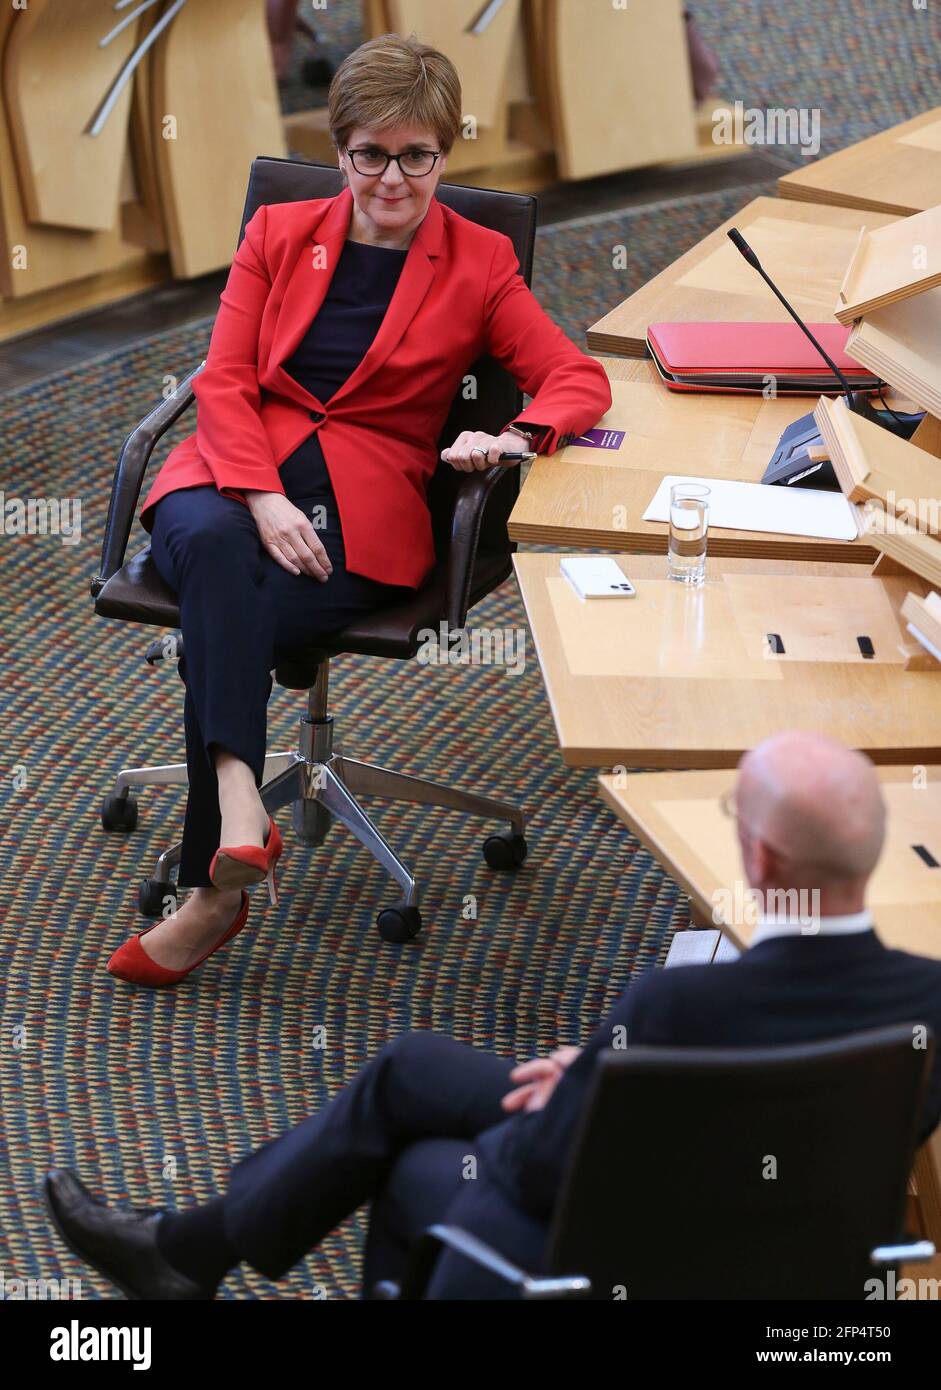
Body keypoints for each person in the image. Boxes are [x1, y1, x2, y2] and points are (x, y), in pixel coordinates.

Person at [49, 731, 941, 1296]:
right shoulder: (926, 1000)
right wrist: (597, 1078)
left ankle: (186, 1252)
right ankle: (186, 1254)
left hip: (632, 1247)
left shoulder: (678, 1003)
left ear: (759, 857)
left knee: (418, 1166)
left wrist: (576, 1092)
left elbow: (539, 1173)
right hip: (788, 1242)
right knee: (410, 1069)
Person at [105, 33, 612, 987]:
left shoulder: (479, 261)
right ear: (339, 151)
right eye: (369, 154)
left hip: (363, 503)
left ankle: (219, 878)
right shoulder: (278, 234)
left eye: (416, 155)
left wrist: (509, 439)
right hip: (230, 471)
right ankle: (234, 825)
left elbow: (574, 378)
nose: (391, 178)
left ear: (444, 154)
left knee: (225, 612)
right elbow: (223, 380)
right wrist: (259, 495)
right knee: (217, 546)